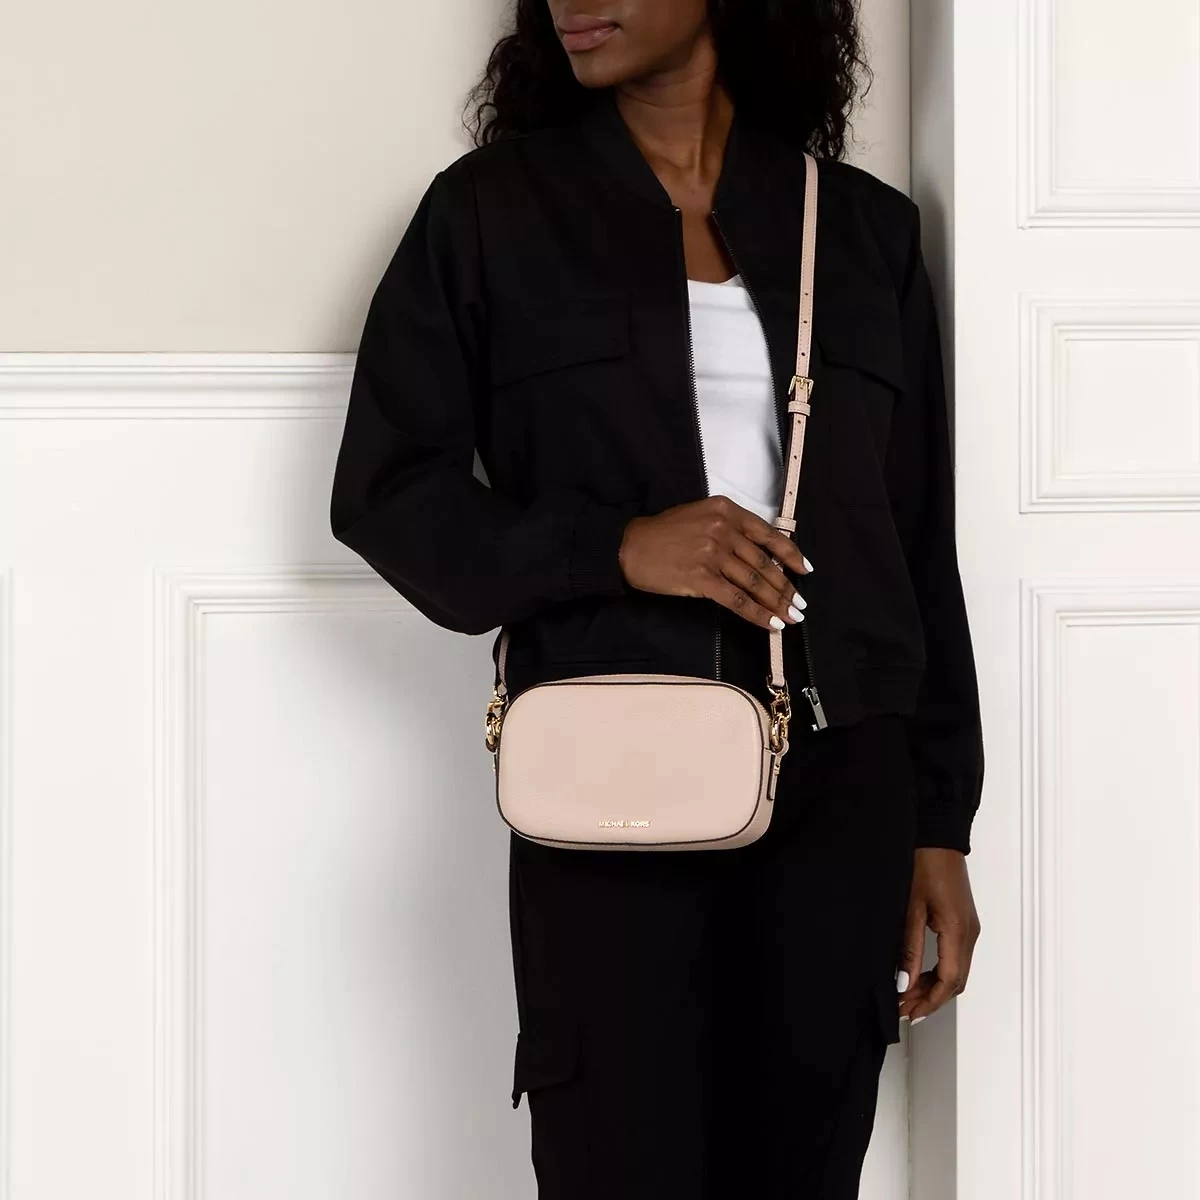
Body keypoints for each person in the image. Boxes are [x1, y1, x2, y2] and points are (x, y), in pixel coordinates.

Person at [329, 1, 984, 1195]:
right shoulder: (487, 216)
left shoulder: (861, 231)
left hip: (842, 789)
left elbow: (915, 548)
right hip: (609, 776)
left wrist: (940, 820)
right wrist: (617, 546)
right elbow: (388, 495)